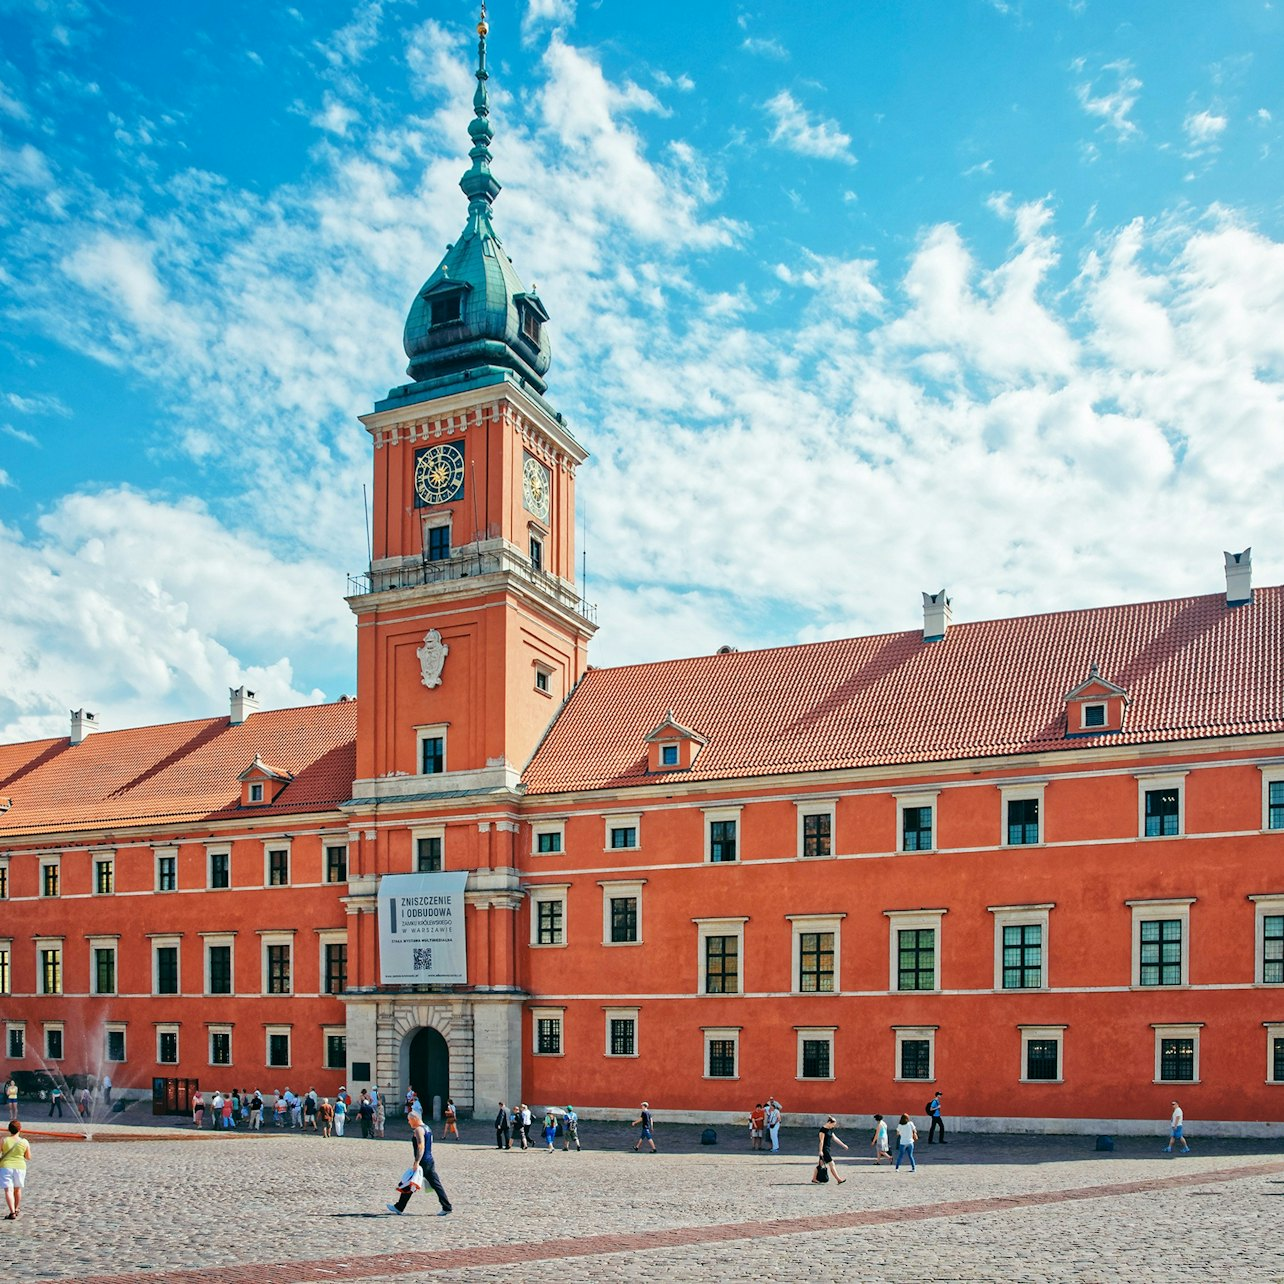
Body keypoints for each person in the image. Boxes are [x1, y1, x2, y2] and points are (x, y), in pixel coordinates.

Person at [386, 1111, 452, 1217]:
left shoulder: (418, 1129)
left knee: (411, 1182)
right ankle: (447, 1207)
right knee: (434, 1184)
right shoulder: (427, 1128)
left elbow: (421, 1146)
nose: (409, 1122)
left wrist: (416, 1162)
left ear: (414, 1119)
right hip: (429, 1160)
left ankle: (399, 1207)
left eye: (409, 1120)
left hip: (423, 1161)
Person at [0, 1121, 30, 1220]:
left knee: (8, 1190)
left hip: (6, 1166)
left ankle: (12, 1212)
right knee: (17, 1189)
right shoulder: (24, 1142)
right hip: (20, 1167)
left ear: (9, 1129)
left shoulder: (3, 1140)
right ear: (20, 1129)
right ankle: (16, 1208)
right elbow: (28, 1157)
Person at [813, 1116, 847, 1183]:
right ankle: (838, 1179)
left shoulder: (830, 1129)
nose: (833, 1126)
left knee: (820, 1165)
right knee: (832, 1164)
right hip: (824, 1150)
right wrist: (820, 1151)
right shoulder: (823, 1130)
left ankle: (814, 1179)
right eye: (833, 1124)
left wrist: (843, 1145)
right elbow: (821, 1141)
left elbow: (835, 1138)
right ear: (829, 1122)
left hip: (827, 1148)